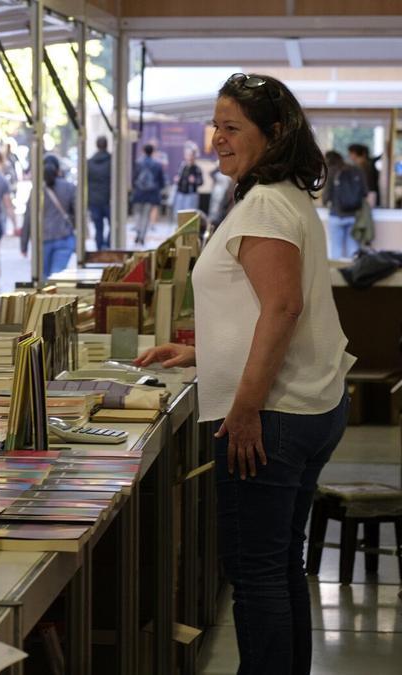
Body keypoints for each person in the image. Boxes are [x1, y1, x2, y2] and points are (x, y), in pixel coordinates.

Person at [135, 73, 354, 675]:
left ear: (274, 133)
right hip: (306, 404)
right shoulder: (283, 195)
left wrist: (247, 406)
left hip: (273, 414)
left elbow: (283, 308)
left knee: (257, 574)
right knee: (279, 566)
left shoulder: (264, 204)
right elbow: (263, 307)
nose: (216, 140)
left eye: (232, 128)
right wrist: (204, 354)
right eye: (216, 126)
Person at [21, 155, 76, 278]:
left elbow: (28, 218)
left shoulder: (36, 190)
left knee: (43, 278)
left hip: (42, 240)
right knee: (57, 276)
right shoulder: (69, 187)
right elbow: (77, 213)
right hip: (64, 237)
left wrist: (24, 244)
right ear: (58, 170)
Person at [321, 150, 364, 259]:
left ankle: (336, 270)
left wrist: (325, 203)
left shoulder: (331, 171)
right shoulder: (356, 170)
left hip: (336, 214)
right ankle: (354, 269)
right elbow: (364, 192)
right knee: (353, 250)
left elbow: (326, 195)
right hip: (353, 215)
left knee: (336, 249)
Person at [131, 143, 166, 245]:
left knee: (138, 213)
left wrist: (135, 188)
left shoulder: (138, 163)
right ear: (152, 152)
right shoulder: (157, 165)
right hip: (151, 194)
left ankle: (138, 231)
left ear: (143, 151)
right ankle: (142, 236)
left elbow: (134, 178)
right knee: (146, 215)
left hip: (139, 192)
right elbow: (161, 181)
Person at [86, 137, 112, 250]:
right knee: (113, 225)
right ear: (107, 145)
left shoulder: (89, 162)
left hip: (94, 200)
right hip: (109, 199)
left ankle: (99, 247)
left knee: (98, 227)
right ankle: (108, 245)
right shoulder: (113, 161)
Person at [172, 144, 204, 213]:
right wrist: (176, 179)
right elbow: (176, 176)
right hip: (180, 194)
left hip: (191, 195)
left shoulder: (197, 168)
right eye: (187, 155)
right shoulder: (181, 166)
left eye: (190, 155)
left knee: (188, 214)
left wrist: (194, 181)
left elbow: (201, 182)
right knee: (178, 213)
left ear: (193, 156)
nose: (189, 157)